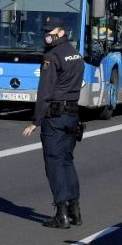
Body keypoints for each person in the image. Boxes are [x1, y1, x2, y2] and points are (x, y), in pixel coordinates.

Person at [23, 21, 84, 229]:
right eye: (45, 32)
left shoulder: (51, 56)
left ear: (62, 32)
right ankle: (75, 210)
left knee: (55, 163)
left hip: (55, 118)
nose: (47, 35)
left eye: (51, 32)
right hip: (73, 113)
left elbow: (45, 92)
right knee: (67, 161)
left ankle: (62, 214)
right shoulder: (75, 53)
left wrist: (35, 121)